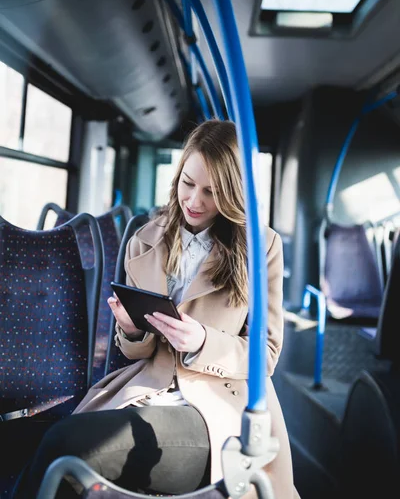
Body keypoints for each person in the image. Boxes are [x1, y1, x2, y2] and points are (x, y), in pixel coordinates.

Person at [16, 119, 298, 498]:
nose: (195, 201)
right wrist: (132, 330)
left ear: (233, 193)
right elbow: (139, 351)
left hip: (216, 408)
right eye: (188, 183)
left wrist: (201, 341)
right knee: (53, 450)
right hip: (148, 388)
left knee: (66, 445)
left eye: (212, 192)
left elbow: (265, 356)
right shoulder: (145, 239)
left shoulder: (261, 247)